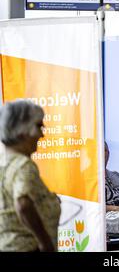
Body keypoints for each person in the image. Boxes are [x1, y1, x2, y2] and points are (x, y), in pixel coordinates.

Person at [0, 100, 61, 252]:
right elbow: (23, 204)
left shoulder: (4, 165)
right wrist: (45, 244)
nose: (42, 134)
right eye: (38, 126)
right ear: (20, 129)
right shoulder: (23, 165)